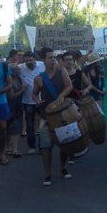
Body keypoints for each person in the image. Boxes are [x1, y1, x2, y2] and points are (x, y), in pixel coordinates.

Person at [31, 47, 74, 185]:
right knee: (45, 146)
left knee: (65, 144)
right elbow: (34, 94)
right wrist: (37, 100)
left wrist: (61, 95)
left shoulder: (61, 72)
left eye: (54, 57)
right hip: (46, 116)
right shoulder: (39, 78)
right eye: (50, 58)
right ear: (43, 60)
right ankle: (48, 174)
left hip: (62, 115)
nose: (53, 60)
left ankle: (62, 167)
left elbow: (69, 86)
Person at [18, 51, 45, 154]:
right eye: (26, 61)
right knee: (30, 125)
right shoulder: (20, 67)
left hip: (42, 100)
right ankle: (32, 146)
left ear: (34, 59)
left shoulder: (42, 65)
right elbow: (10, 68)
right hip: (28, 101)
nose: (28, 62)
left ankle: (43, 145)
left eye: (30, 60)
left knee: (43, 124)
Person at [6, 66, 25, 158]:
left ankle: (14, 149)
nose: (19, 70)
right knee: (8, 128)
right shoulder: (8, 81)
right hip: (9, 107)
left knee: (16, 128)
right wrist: (23, 90)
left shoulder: (20, 79)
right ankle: (9, 147)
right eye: (16, 69)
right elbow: (11, 96)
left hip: (18, 107)